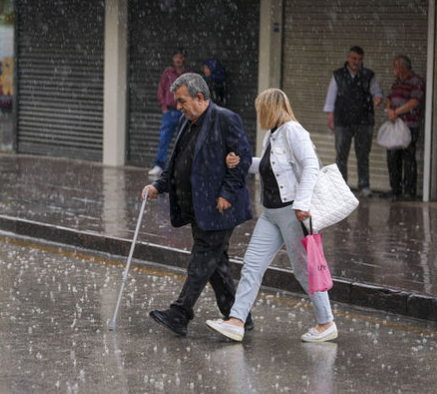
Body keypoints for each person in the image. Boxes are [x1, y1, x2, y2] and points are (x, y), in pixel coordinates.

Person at [206, 88, 336, 343]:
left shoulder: (293, 131)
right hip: (271, 213)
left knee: (304, 269)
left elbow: (311, 165)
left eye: (260, 109)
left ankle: (326, 322)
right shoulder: (273, 135)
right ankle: (236, 321)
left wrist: (302, 202)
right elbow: (267, 167)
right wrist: (239, 162)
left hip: (291, 212)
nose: (259, 114)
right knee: (252, 266)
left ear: (270, 108)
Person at [142, 72, 254, 336]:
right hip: (197, 206)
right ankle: (239, 316)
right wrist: (159, 185)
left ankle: (180, 313)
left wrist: (226, 193)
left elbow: (243, 159)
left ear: (200, 97)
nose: (177, 106)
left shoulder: (225, 119)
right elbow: (176, 160)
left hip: (219, 208)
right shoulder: (187, 121)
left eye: (181, 101)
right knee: (216, 264)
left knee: (203, 257)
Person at [323, 46, 383, 197]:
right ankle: (341, 186)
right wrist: (330, 117)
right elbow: (331, 97)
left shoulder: (368, 75)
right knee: (341, 154)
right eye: (354, 59)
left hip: (364, 121)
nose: (356, 62)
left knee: (363, 154)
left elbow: (377, 92)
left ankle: (364, 185)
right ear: (348, 58)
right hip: (343, 121)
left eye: (359, 59)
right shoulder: (338, 75)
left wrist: (378, 98)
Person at [384, 55, 425, 200]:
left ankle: (409, 191)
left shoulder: (416, 81)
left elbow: (414, 102)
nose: (393, 69)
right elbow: (388, 98)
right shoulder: (396, 82)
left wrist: (397, 112)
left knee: (408, 158)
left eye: (395, 65)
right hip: (395, 126)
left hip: (409, 126)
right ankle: (395, 189)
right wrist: (389, 110)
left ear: (403, 66)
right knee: (392, 158)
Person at [148, 49, 191, 176]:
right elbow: (161, 90)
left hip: (185, 112)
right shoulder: (167, 73)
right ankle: (159, 165)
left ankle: (183, 166)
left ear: (184, 59)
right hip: (170, 111)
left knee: (185, 139)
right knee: (164, 139)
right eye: (176, 57)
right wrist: (164, 107)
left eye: (180, 57)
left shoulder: (189, 74)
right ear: (173, 59)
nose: (178, 60)